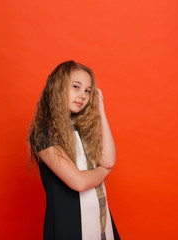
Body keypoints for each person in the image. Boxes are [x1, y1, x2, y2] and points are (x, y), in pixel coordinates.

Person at [27, 60, 120, 240]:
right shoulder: (43, 133)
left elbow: (109, 159)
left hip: (102, 219)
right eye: (76, 87)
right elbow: (78, 182)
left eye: (88, 91)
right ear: (58, 87)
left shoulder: (83, 127)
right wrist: (104, 170)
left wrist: (100, 109)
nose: (83, 95)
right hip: (71, 227)